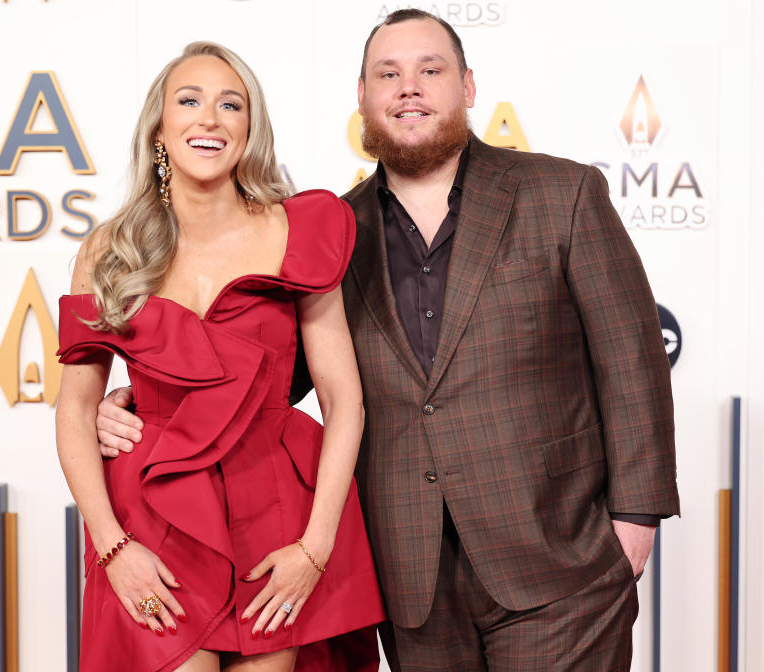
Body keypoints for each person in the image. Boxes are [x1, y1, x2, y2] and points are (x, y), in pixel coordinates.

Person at [96, 11, 680, 671]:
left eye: (430, 71)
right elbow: (269, 374)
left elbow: (631, 360)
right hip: (409, 573)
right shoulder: (330, 229)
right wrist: (141, 400)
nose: (409, 89)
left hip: (558, 563)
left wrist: (636, 517)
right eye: (388, 75)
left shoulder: (560, 193)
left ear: (467, 85)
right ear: (362, 97)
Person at [55, 41, 384, 672]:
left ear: (248, 129)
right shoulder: (109, 249)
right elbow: (75, 410)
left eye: (230, 104)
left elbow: (344, 400)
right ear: (160, 126)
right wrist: (112, 548)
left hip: (278, 515)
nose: (209, 118)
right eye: (190, 100)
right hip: (152, 516)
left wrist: (316, 547)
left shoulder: (300, 231)